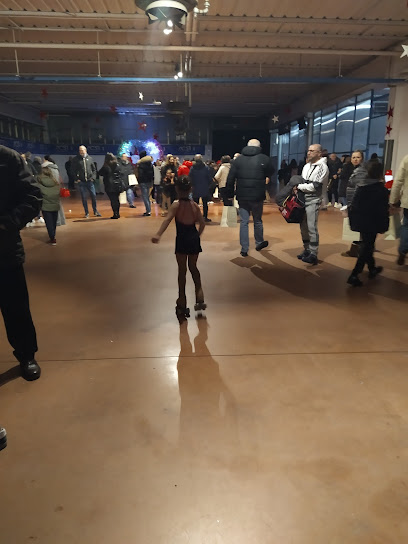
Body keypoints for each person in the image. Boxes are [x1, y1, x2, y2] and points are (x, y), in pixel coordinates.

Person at [0, 144, 42, 381]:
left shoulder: (8, 158)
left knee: (16, 309)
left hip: (4, 251)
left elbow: (32, 196)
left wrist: (9, 222)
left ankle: (27, 355)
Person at [152, 176, 206, 319]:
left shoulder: (176, 205)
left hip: (182, 239)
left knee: (182, 271)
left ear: (176, 189)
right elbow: (202, 223)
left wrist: (158, 234)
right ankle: (199, 295)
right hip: (193, 239)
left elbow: (167, 220)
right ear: (190, 189)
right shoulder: (195, 205)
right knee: (193, 267)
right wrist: (197, 236)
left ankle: (182, 300)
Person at [226, 139, 274, 256]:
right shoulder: (264, 159)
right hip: (257, 195)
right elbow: (271, 171)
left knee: (244, 222)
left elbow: (230, 178)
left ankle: (244, 248)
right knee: (257, 220)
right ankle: (259, 242)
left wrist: (229, 194)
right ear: (259, 146)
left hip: (242, 195)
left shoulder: (238, 160)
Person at [347, 160, 389, 286]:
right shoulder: (381, 189)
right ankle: (355, 274)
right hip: (373, 222)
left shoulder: (361, 186)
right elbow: (382, 210)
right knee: (367, 246)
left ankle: (372, 268)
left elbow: (354, 204)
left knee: (367, 244)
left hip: (361, 221)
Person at [295, 143, 329, 265]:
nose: (308, 153)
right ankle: (307, 249)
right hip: (303, 199)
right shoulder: (306, 166)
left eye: (312, 151)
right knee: (303, 226)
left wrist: (299, 186)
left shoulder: (323, 167)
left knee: (311, 226)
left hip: (313, 200)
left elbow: (315, 186)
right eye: (308, 150)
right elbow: (304, 181)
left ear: (319, 153)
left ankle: (313, 253)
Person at [342, 150, 368, 258]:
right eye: (353, 157)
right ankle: (360, 249)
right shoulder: (358, 169)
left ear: (362, 158)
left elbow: (359, 189)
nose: (355, 159)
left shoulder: (360, 171)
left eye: (358, 157)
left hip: (357, 203)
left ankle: (358, 251)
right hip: (356, 202)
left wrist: (352, 204)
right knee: (360, 227)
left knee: (358, 226)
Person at [71, 145, 101, 218]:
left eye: (82, 150)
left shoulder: (90, 159)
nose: (81, 151)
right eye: (80, 150)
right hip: (81, 182)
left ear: (85, 150)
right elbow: (72, 170)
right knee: (84, 197)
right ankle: (86, 212)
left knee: (93, 196)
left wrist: (93, 178)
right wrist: (76, 179)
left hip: (90, 181)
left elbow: (94, 170)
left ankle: (95, 211)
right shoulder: (76, 159)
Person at [389, 153, 408, 266]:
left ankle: (402, 251)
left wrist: (393, 199)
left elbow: (399, 181)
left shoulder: (407, 158)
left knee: (406, 226)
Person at [37, 165, 61, 245]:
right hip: (55, 205)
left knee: (49, 223)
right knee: (54, 222)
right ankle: (53, 235)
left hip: (45, 205)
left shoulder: (39, 182)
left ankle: (52, 238)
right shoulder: (55, 182)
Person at [98, 153, 124, 219]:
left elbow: (100, 173)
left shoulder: (106, 166)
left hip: (110, 185)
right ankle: (118, 213)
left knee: (113, 200)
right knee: (117, 199)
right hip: (118, 184)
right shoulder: (118, 165)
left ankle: (115, 214)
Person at [190, 154, 213, 223]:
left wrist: (192, 185)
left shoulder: (192, 168)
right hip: (204, 187)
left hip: (195, 187)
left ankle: (195, 217)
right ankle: (205, 217)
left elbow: (190, 177)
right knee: (205, 203)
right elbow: (209, 177)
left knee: (195, 204)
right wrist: (209, 184)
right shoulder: (206, 167)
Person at [137, 150, 154, 216]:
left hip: (143, 182)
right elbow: (152, 173)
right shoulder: (150, 164)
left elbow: (140, 174)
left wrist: (139, 181)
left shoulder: (140, 164)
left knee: (145, 196)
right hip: (149, 181)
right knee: (147, 196)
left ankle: (148, 211)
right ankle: (149, 210)